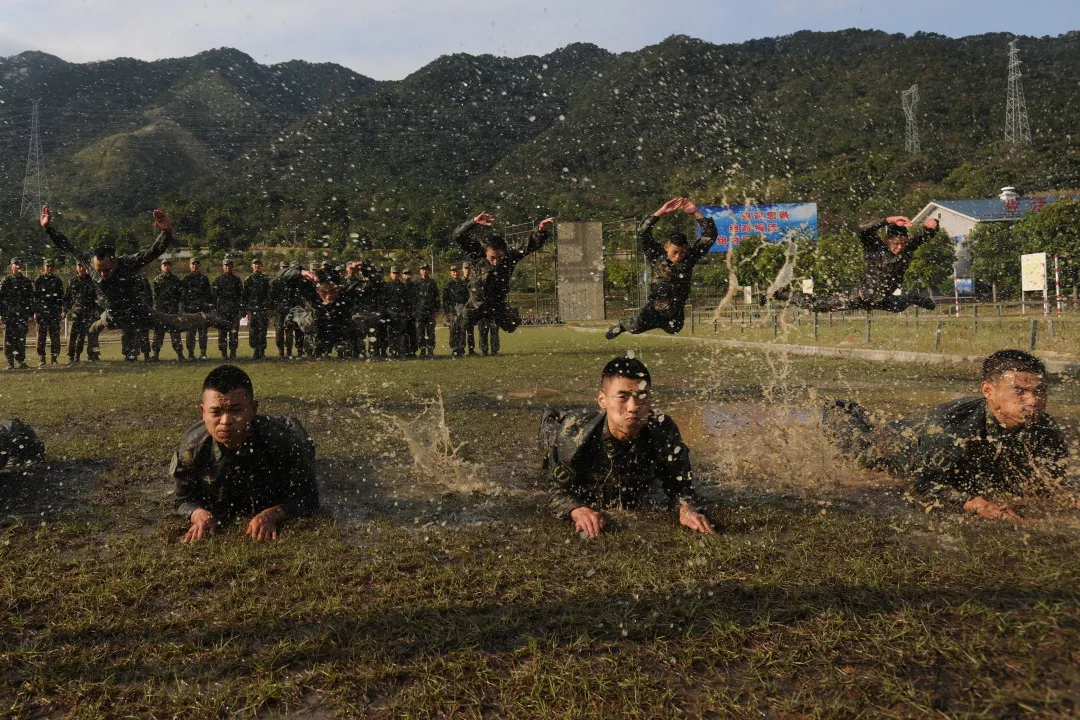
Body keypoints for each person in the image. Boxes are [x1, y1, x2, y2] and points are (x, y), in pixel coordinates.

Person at [822, 349, 1074, 521]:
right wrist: (978, 504)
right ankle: (839, 408)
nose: (1033, 401)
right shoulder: (952, 426)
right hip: (894, 446)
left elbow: (1050, 482)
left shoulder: (1044, 427)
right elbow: (921, 485)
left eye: (1040, 390)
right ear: (989, 390)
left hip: (925, 438)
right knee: (854, 444)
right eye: (1019, 391)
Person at [539, 356, 716, 537]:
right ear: (602, 400)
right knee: (551, 444)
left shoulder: (663, 430)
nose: (633, 407)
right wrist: (576, 509)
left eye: (642, 396)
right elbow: (556, 490)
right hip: (560, 427)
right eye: (622, 396)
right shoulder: (574, 435)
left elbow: (681, 487)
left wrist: (686, 507)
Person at [41, 206, 227, 363]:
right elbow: (67, 245)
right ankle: (93, 356)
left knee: (174, 324)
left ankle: (205, 317)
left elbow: (152, 253)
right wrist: (49, 228)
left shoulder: (127, 263)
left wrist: (166, 233)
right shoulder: (89, 264)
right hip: (112, 313)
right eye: (99, 271)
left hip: (136, 310)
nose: (103, 274)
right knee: (92, 329)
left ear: (114, 262)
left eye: (107, 269)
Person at [170, 364, 319, 543]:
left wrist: (273, 514)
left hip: (287, 430)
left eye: (236, 410)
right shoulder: (192, 446)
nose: (226, 421)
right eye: (216, 412)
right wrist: (197, 514)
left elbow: (308, 498)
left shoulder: (283, 443)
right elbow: (183, 499)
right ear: (203, 412)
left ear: (253, 409)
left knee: (304, 446)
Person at [606, 198, 718, 339]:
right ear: (666, 248)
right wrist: (661, 212)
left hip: (675, 310)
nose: (678, 256)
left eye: (682, 252)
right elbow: (643, 232)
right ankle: (622, 325)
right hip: (655, 307)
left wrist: (695, 212)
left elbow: (710, 235)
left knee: (675, 329)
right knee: (636, 328)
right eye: (675, 252)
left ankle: (657, 323)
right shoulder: (656, 256)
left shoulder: (690, 258)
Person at [790, 216, 940, 313]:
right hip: (860, 296)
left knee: (899, 305)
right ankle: (779, 294)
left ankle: (918, 298)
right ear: (887, 240)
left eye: (903, 244)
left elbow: (925, 236)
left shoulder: (907, 250)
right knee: (816, 305)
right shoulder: (875, 247)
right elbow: (863, 229)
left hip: (885, 299)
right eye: (895, 243)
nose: (899, 247)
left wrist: (932, 225)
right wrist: (887, 220)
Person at [453, 212, 554, 353]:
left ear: (505, 252)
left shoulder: (510, 257)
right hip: (477, 301)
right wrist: (473, 222)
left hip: (497, 302)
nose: (496, 262)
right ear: (485, 252)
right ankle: (459, 349)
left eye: (500, 257)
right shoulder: (477, 253)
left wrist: (540, 231)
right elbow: (458, 236)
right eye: (492, 258)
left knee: (511, 326)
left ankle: (512, 313)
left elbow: (528, 246)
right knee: (462, 322)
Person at [0, 257, 33, 370]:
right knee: (9, 339)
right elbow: (1, 298)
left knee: (21, 339)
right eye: (15, 264)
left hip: (22, 315)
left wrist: (30, 313)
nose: (18, 266)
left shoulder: (26, 282)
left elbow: (29, 299)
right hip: (10, 315)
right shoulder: (6, 280)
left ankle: (21, 361)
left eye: (19, 263)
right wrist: (1, 314)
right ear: (11, 266)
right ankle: (10, 362)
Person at [63, 260, 98, 364]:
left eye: (83, 266)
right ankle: (70, 356)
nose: (81, 268)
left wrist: (96, 310)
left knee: (83, 336)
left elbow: (96, 297)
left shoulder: (91, 281)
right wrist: (64, 310)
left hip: (88, 312)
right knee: (72, 335)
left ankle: (79, 355)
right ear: (76, 268)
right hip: (75, 312)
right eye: (79, 266)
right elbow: (67, 297)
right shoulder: (72, 281)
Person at [151, 259, 185, 361]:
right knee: (158, 334)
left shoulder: (176, 280)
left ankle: (180, 355)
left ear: (170, 266)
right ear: (161, 267)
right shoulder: (156, 280)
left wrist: (178, 310)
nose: (166, 267)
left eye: (168, 265)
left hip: (172, 312)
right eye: (164, 265)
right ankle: (155, 355)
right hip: (161, 312)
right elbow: (155, 297)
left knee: (175, 334)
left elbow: (180, 296)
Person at [32, 259, 64, 367]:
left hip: (54, 312)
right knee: (41, 337)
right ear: (43, 267)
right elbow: (35, 297)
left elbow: (60, 297)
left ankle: (54, 358)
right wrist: (35, 312)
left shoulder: (57, 280)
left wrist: (60, 311)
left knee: (55, 337)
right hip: (41, 312)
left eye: (51, 266)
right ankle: (42, 358)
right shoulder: (38, 280)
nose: (50, 268)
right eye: (48, 266)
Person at [181, 258, 213, 360]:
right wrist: (184, 309)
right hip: (190, 310)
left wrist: (207, 307)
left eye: (196, 264)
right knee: (190, 333)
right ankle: (191, 354)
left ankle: (203, 353)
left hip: (202, 309)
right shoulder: (185, 279)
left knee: (203, 332)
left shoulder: (204, 279)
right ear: (190, 266)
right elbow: (183, 296)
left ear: (199, 266)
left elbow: (209, 295)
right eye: (193, 264)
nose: (195, 266)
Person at [213, 257, 244, 360]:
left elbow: (241, 296)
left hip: (234, 311)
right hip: (222, 311)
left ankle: (233, 353)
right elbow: (214, 297)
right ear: (223, 267)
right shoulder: (217, 280)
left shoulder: (237, 280)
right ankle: (224, 354)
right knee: (222, 333)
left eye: (230, 265)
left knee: (234, 333)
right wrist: (215, 311)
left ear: (232, 267)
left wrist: (241, 309)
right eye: (226, 265)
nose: (228, 267)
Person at [382, 266, 414, 358]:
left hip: (401, 313)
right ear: (390, 274)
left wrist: (408, 311)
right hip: (390, 313)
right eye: (393, 273)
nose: (395, 275)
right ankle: (393, 351)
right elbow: (384, 301)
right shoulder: (387, 286)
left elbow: (408, 300)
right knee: (391, 333)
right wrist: (385, 312)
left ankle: (402, 351)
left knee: (402, 333)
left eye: (396, 273)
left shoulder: (404, 286)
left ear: (399, 275)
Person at [244, 257, 272, 360]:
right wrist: (244, 308)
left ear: (261, 266)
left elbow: (269, 294)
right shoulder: (248, 280)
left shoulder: (265, 279)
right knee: (253, 329)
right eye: (255, 264)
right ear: (252, 266)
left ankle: (262, 350)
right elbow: (245, 295)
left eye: (259, 264)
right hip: (252, 308)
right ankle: (255, 350)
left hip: (263, 308)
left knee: (263, 330)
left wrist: (269, 308)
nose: (257, 265)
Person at [442, 264, 469, 358]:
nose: (455, 273)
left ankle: (461, 349)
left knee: (462, 330)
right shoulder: (448, 285)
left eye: (456, 271)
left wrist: (465, 309)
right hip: (452, 310)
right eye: (453, 271)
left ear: (459, 272)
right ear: (451, 273)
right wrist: (447, 313)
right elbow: (445, 300)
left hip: (462, 309)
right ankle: (454, 349)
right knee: (453, 330)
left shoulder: (464, 284)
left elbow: (467, 298)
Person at [414, 265, 440, 358]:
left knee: (431, 333)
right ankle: (422, 351)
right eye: (423, 269)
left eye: (426, 270)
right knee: (420, 333)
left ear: (429, 271)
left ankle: (430, 351)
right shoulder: (416, 283)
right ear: (420, 271)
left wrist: (437, 310)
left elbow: (437, 297)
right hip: (419, 312)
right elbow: (413, 298)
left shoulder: (432, 283)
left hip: (430, 311)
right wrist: (413, 310)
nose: (424, 271)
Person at [269, 262, 292, 358]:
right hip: (278, 311)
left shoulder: (291, 282)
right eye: (283, 268)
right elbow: (270, 297)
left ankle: (289, 352)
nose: (284, 270)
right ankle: (281, 352)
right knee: (279, 331)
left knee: (289, 332)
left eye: (286, 268)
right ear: (280, 268)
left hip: (289, 310)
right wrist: (271, 310)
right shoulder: (273, 282)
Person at [460, 261, 477, 355]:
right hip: (462, 309)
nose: (467, 270)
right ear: (462, 269)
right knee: (462, 331)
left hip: (471, 309)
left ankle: (471, 350)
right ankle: (462, 349)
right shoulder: (459, 282)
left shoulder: (474, 281)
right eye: (465, 268)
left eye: (468, 268)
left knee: (470, 331)